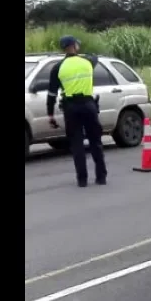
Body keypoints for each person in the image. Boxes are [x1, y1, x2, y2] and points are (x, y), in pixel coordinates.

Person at [47, 35, 107, 188]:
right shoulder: (88, 62)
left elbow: (51, 94)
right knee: (95, 142)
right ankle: (101, 177)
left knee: (77, 145)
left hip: (71, 108)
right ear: (74, 45)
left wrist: (50, 115)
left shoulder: (58, 68)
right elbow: (95, 57)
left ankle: (82, 180)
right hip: (89, 105)